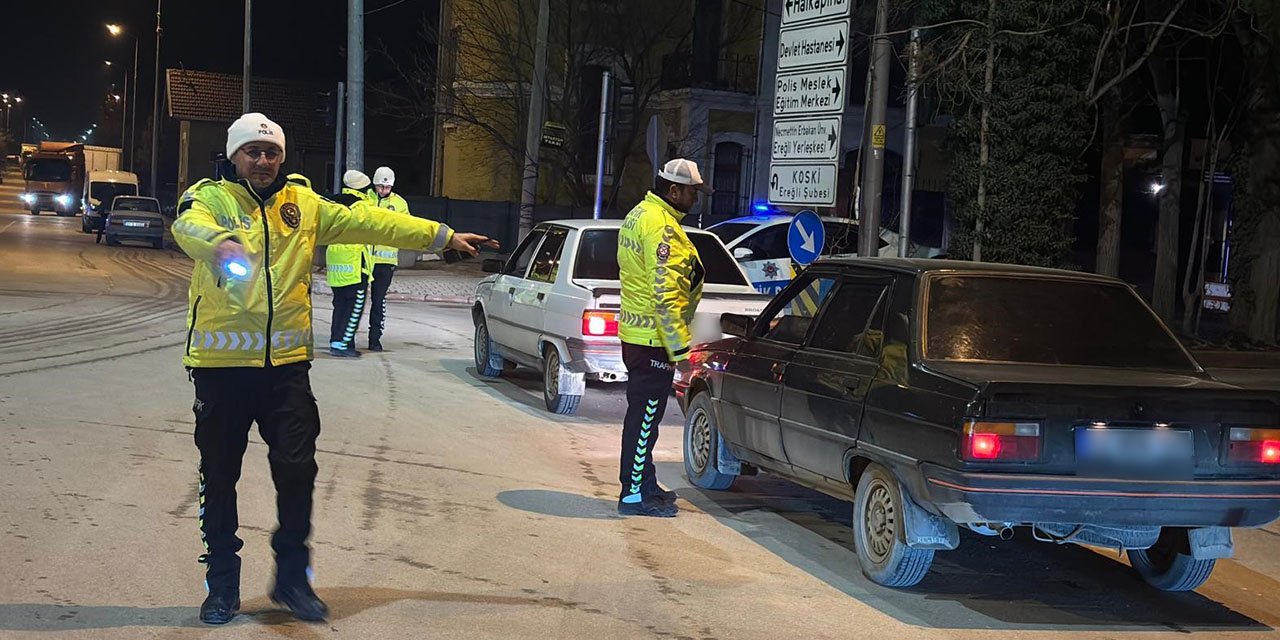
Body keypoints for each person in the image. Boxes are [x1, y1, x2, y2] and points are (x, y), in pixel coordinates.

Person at [171, 113, 496, 625]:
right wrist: (220, 245)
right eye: (252, 151)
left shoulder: (303, 203)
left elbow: (373, 221)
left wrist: (443, 235)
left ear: (283, 156)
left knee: (298, 471)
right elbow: (187, 225)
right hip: (220, 367)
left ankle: (293, 580)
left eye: (271, 151)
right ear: (235, 156)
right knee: (219, 476)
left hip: (286, 371)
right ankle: (222, 584)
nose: (263, 160)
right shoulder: (210, 198)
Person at [615, 158, 711, 518]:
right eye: (692, 191)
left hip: (638, 334)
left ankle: (645, 481)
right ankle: (633, 494)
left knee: (643, 416)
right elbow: (665, 293)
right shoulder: (661, 227)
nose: (696, 198)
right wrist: (681, 349)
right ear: (674, 191)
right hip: (653, 340)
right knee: (644, 418)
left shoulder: (640, 214)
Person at [325, 170, 376, 357]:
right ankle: (344, 345)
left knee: (339, 305)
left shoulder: (334, 203)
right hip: (355, 264)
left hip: (335, 264)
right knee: (354, 306)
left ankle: (335, 340)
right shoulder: (363, 206)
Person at [365, 166, 410, 351]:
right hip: (364, 259)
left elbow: (406, 227)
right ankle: (347, 338)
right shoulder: (365, 199)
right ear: (374, 184)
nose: (383, 190)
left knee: (378, 300)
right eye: (380, 187)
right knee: (357, 300)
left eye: (387, 187)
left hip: (386, 262)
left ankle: (374, 339)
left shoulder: (400, 204)